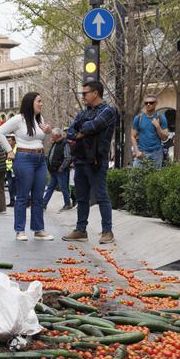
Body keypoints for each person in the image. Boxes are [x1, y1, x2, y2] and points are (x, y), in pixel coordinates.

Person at [63, 79, 119, 244]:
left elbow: (92, 127)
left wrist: (82, 130)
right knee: (81, 198)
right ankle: (81, 230)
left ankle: (107, 231)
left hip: (96, 160)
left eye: (85, 93)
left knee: (101, 196)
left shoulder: (108, 111)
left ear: (95, 93)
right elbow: (71, 131)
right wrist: (81, 131)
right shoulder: (83, 112)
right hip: (80, 159)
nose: (83, 97)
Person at [0, 93, 54, 241]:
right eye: (39, 101)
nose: (41, 104)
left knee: (38, 196)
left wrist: (48, 132)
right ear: (30, 103)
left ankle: (38, 230)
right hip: (24, 158)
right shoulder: (19, 119)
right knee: (22, 196)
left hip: (40, 159)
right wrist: (9, 151)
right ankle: (20, 231)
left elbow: (41, 137)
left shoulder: (39, 119)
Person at [131, 96, 169, 168]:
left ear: (156, 103)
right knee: (137, 177)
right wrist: (136, 151)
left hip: (156, 153)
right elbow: (132, 136)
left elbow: (165, 137)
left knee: (155, 178)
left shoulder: (161, 118)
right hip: (142, 153)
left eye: (151, 102)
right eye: (146, 103)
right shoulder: (138, 118)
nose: (148, 104)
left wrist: (158, 127)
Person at [42, 128, 72, 210]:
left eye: (52, 135)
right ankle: (44, 204)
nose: (51, 136)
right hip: (54, 170)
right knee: (50, 188)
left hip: (60, 171)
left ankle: (67, 204)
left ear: (57, 135)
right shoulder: (55, 143)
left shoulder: (65, 144)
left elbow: (68, 157)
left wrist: (62, 167)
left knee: (63, 188)